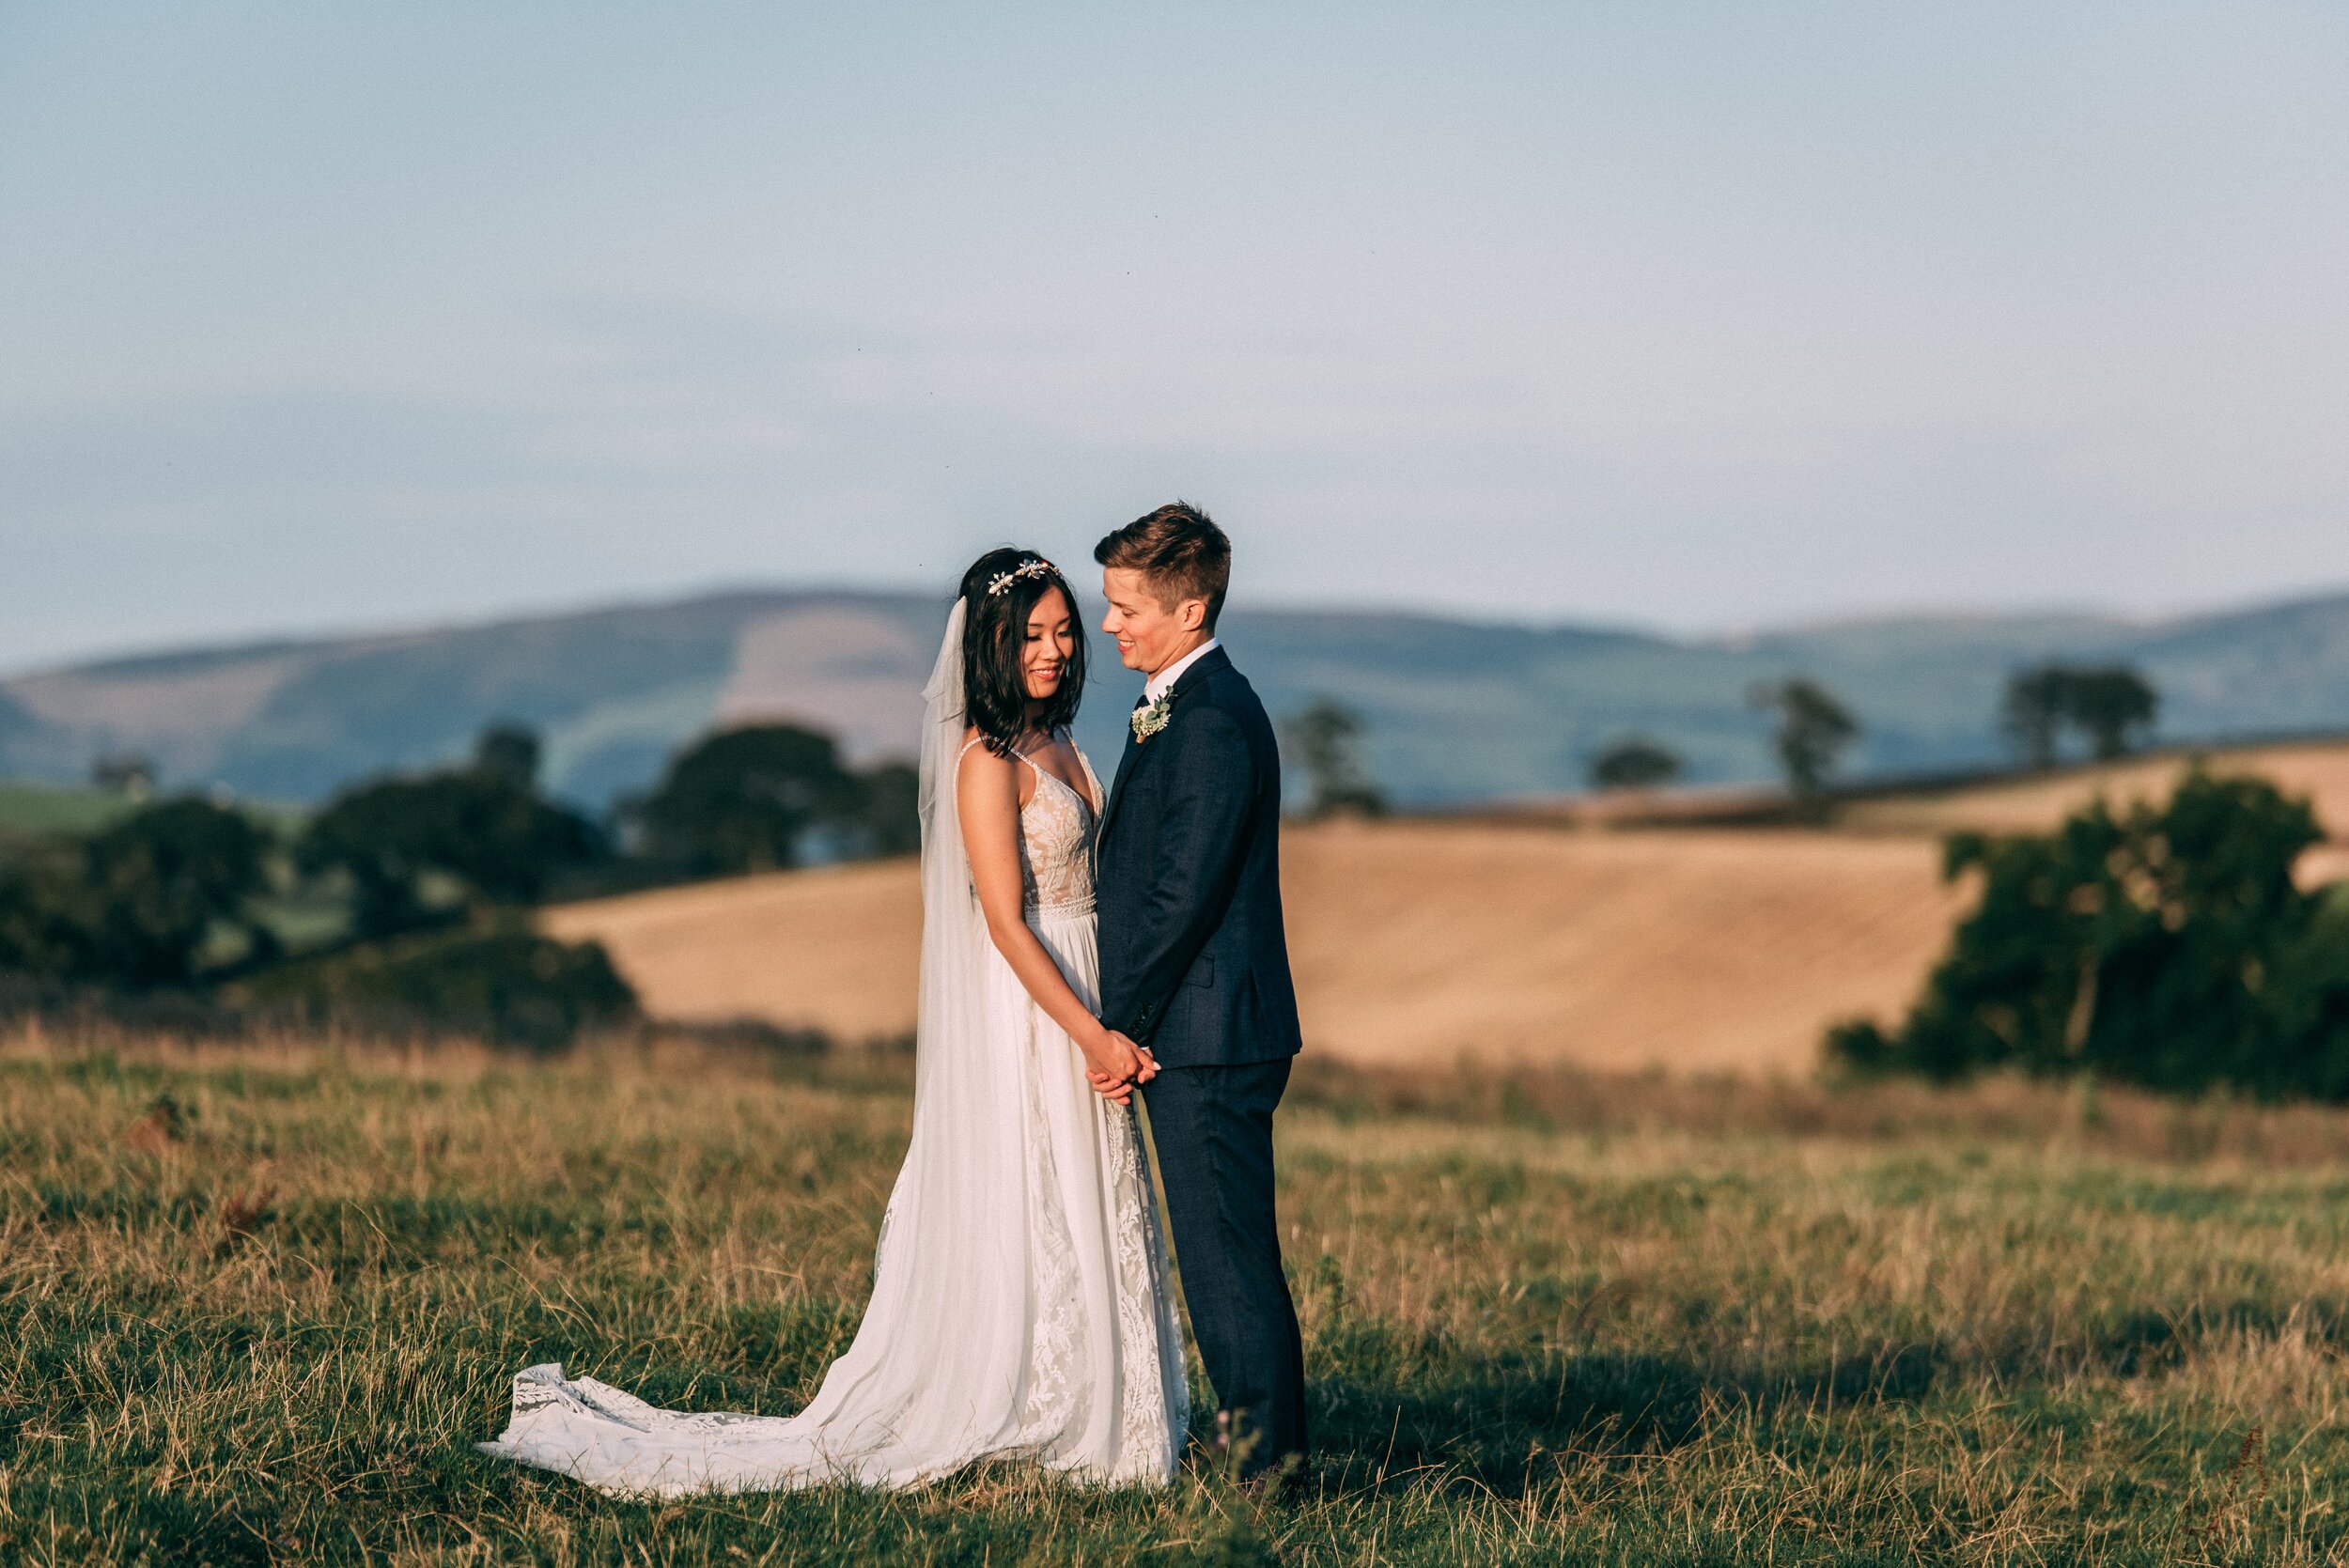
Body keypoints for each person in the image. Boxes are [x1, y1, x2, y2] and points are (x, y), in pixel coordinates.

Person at [477, 549, 1189, 1496]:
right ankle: (1035, 1404)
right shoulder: (987, 760)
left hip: (1087, 977)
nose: (1054, 649)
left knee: (1091, 1193)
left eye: (1064, 630)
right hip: (1037, 1000)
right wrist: (1088, 1032)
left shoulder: (1059, 742)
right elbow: (1006, 924)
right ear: (990, 642)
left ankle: (1112, 1406)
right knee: (1037, 1190)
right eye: (1030, 634)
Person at [1092, 502, 1309, 1483]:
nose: (1110, 626)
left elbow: (1182, 895)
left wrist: (1115, 1024)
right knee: (1222, 1254)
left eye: (1125, 606)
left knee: (1225, 1261)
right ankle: (1256, 1442)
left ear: (1190, 608)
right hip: (1204, 1024)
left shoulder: (1213, 719)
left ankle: (1264, 1466)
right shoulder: (1189, 700)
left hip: (1209, 1032)